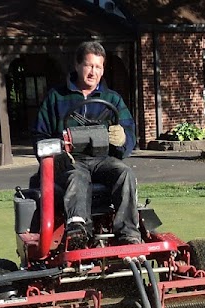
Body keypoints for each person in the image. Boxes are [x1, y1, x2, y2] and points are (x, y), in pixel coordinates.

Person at [33, 41, 141, 249]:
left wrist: (123, 138)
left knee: (124, 172)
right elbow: (39, 136)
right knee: (77, 175)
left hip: (102, 160)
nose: (93, 72)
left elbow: (129, 133)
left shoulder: (112, 99)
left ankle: (128, 233)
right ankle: (78, 229)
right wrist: (58, 155)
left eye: (98, 67)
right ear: (77, 65)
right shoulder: (56, 98)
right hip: (69, 162)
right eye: (89, 65)